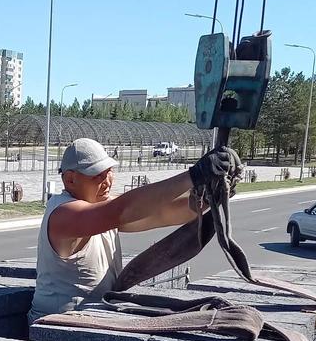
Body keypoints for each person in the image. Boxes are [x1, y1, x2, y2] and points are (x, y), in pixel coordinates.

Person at [29, 137, 240, 324]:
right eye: (97, 176)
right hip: (54, 324)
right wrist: (194, 175)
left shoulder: (99, 210)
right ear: (70, 179)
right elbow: (121, 210)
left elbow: (161, 214)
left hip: (93, 317)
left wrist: (206, 198)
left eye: (109, 172)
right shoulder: (63, 213)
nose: (107, 181)